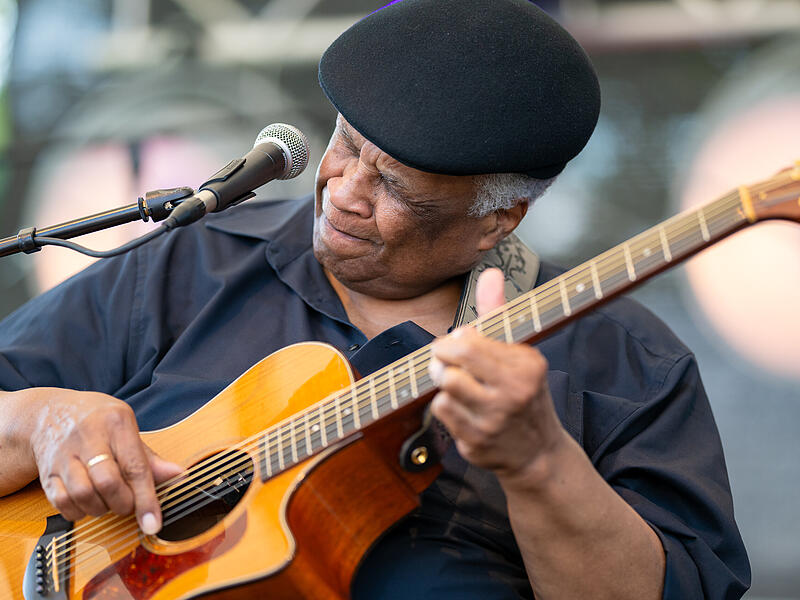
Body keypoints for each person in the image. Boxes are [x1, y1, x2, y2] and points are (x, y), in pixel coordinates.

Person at [0, 0, 750, 598]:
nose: (343, 192)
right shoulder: (191, 260)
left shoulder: (625, 362)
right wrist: (40, 418)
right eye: (348, 145)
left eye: (393, 184)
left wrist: (538, 461)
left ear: (499, 217)